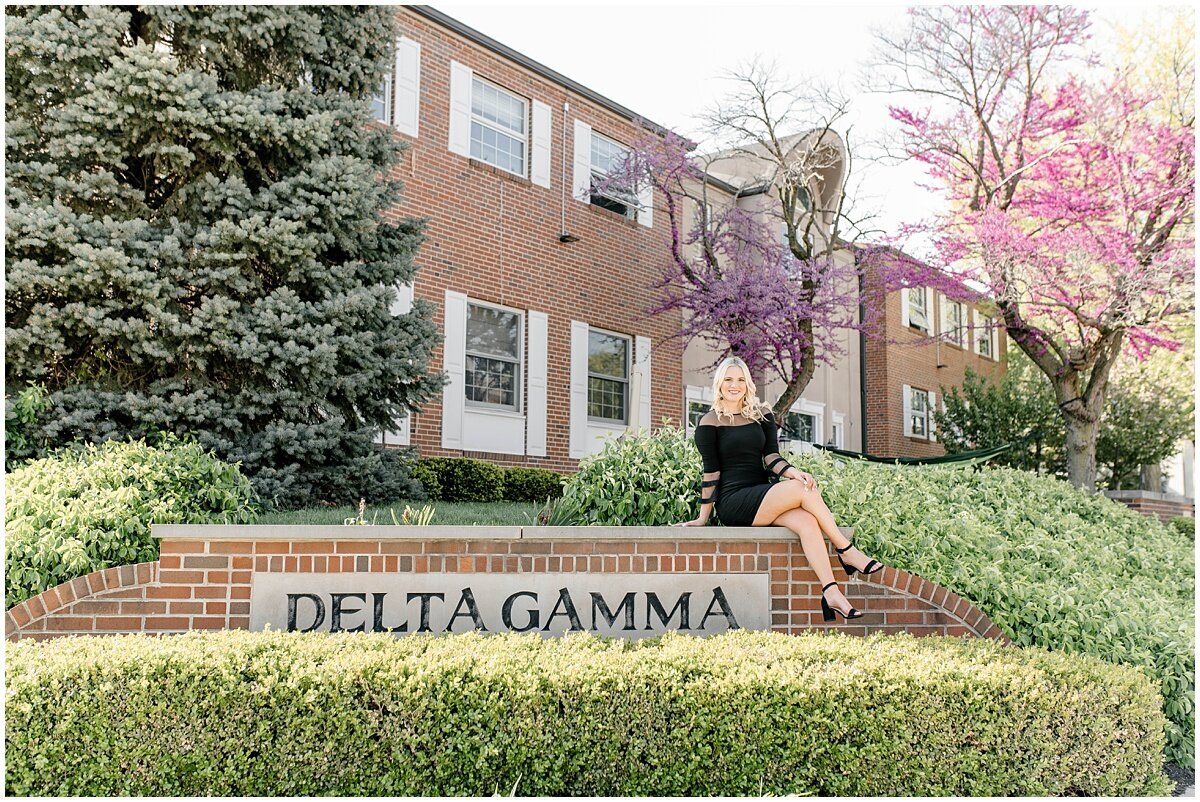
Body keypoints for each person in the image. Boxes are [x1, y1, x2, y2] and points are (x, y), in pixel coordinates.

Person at [676, 356, 884, 621]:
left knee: (808, 521)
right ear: (719, 383)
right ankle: (846, 551)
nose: (734, 385)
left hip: (763, 493)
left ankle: (831, 593)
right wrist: (702, 518)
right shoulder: (709, 422)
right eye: (728, 379)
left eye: (740, 380)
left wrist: (792, 471)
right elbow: (711, 472)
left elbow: (771, 457)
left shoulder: (762, 415)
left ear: (748, 384)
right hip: (734, 501)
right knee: (801, 490)